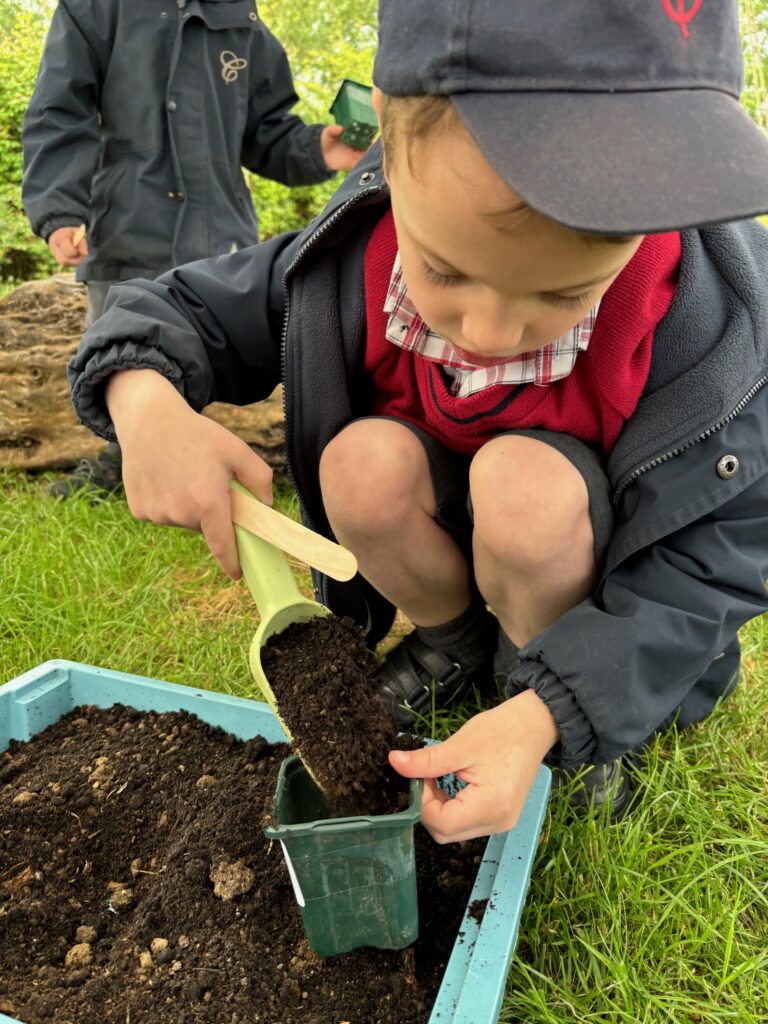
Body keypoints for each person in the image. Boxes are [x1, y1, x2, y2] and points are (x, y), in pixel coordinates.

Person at [67, 0, 768, 843]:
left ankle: (537, 688)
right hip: (443, 532)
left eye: (563, 294)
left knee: (525, 486)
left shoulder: (712, 329)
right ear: (387, 164)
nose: (490, 332)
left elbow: (714, 568)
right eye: (445, 271)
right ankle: (455, 644)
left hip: (569, 563)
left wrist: (553, 711)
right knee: (360, 462)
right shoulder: (346, 262)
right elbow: (168, 308)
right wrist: (142, 403)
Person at [21, 0, 364, 496]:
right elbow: (60, 111)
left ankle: (201, 462)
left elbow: (266, 130)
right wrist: (60, 209)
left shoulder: (240, 22)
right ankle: (123, 468)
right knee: (122, 354)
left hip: (218, 235)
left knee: (210, 355)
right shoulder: (95, 9)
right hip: (125, 225)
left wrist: (319, 148)